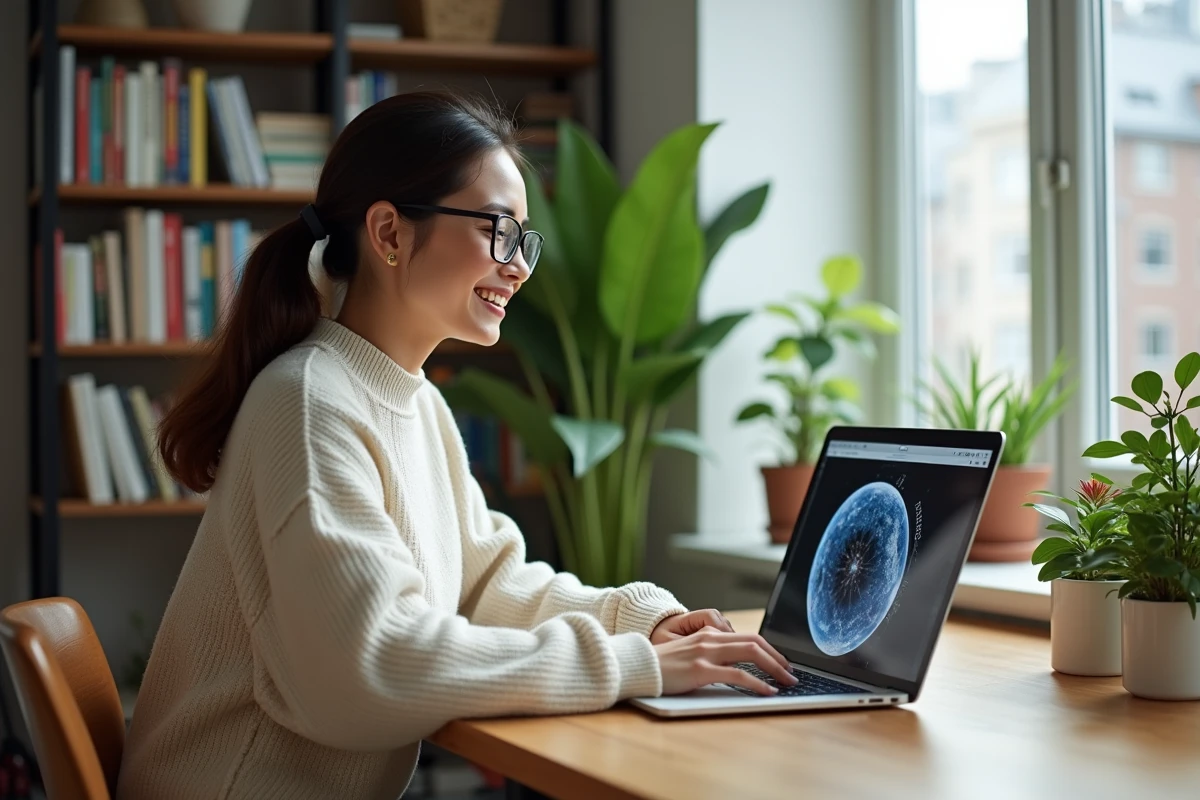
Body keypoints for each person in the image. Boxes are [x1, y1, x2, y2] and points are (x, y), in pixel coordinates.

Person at [116, 91, 797, 800]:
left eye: (524, 241)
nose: (520, 267)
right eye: (499, 231)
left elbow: (488, 585)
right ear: (389, 234)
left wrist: (643, 621)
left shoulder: (416, 404)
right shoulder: (309, 402)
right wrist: (635, 664)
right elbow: (373, 665)